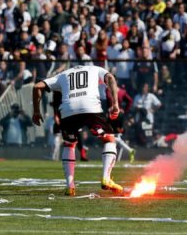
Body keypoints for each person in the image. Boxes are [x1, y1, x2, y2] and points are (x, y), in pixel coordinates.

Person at [32, 65, 122, 196]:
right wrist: (115, 104)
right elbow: (110, 78)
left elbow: (37, 86)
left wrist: (36, 111)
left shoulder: (63, 74)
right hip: (91, 107)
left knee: (69, 144)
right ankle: (106, 179)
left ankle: (70, 186)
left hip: (69, 110)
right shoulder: (95, 69)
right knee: (109, 139)